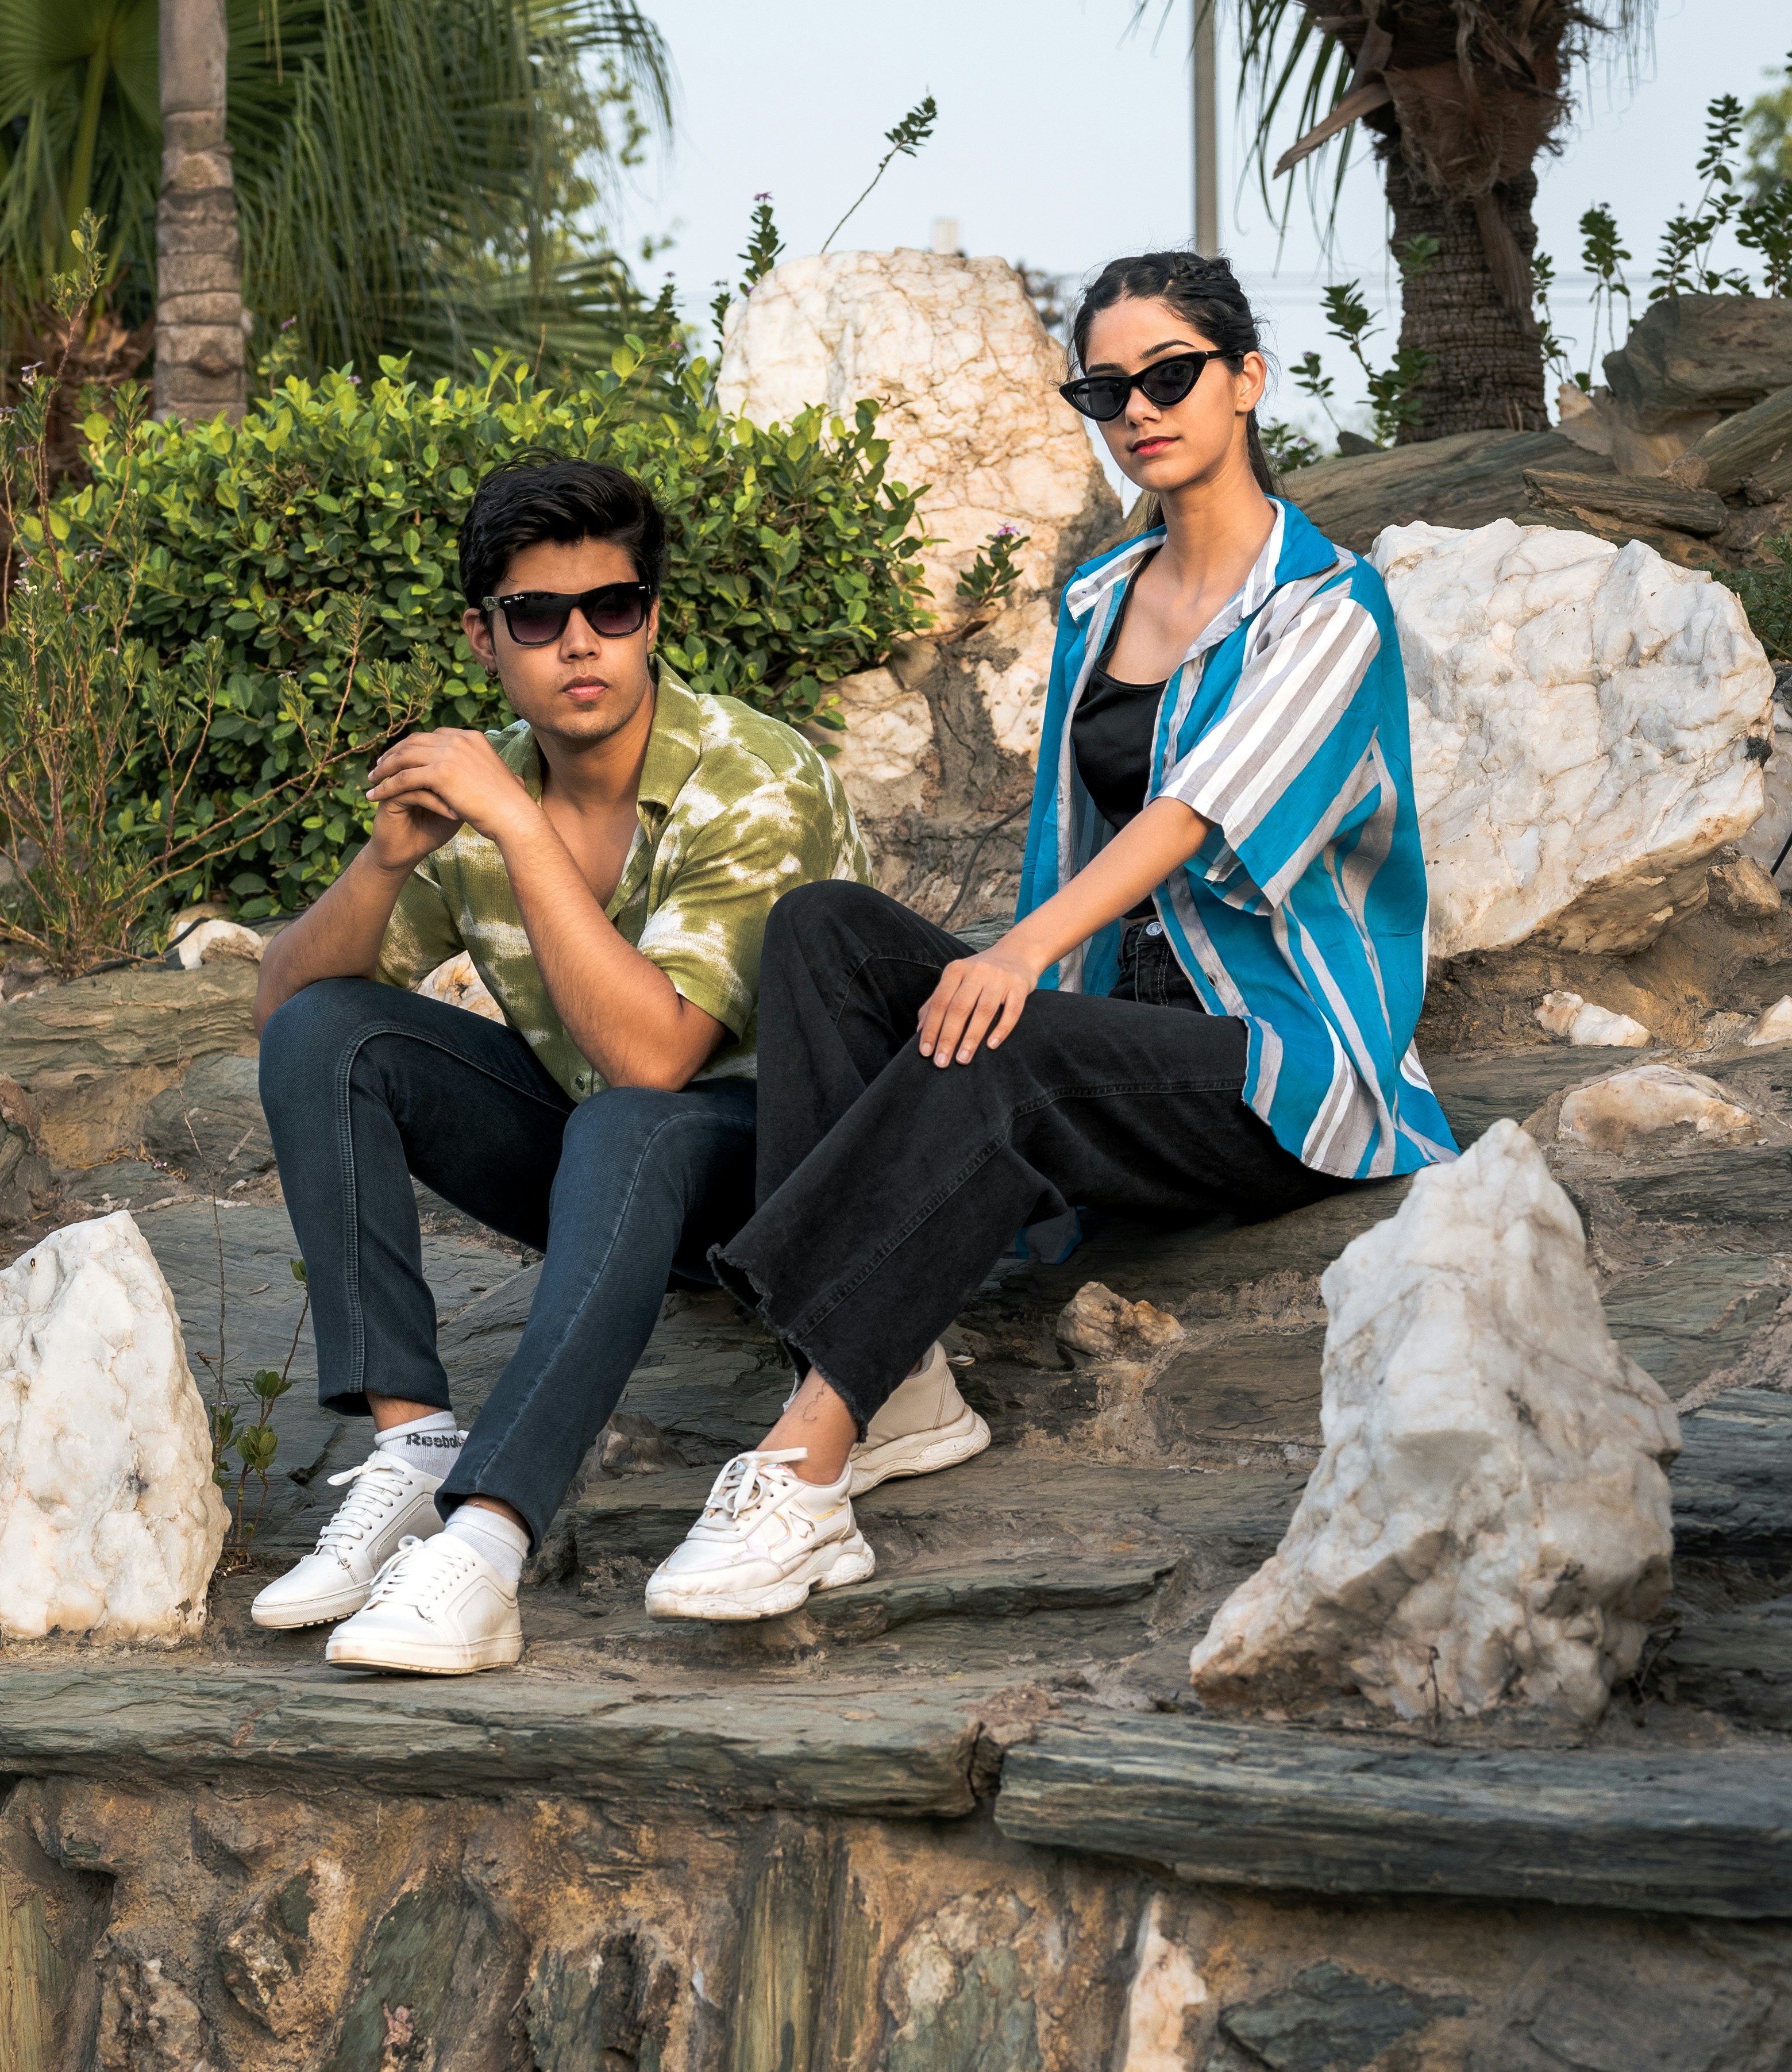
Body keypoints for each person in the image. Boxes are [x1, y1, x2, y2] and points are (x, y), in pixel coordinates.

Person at [642, 249, 1460, 1624]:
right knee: (822, 933)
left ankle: (810, 1451)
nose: (1137, 406)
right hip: (1111, 1031)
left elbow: (1196, 815)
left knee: (1000, 1051)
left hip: (1270, 1064)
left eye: (1170, 375)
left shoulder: (1331, 609)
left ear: (1246, 380)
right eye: (1105, 385)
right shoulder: (1096, 602)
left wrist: (1015, 957)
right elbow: (1067, 842)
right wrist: (1026, 962)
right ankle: (897, 1380)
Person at [248, 457, 983, 1676]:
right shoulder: (485, 791)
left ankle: (485, 1548)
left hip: (787, 1178)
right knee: (333, 1033)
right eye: (538, 617)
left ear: (653, 617)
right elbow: (282, 1008)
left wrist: (518, 828)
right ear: (484, 638)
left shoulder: (745, 775)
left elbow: (656, 1056)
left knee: (627, 1118)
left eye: (614, 608)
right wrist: (382, 865)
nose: (580, 644)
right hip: (612, 1164)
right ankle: (413, 1446)